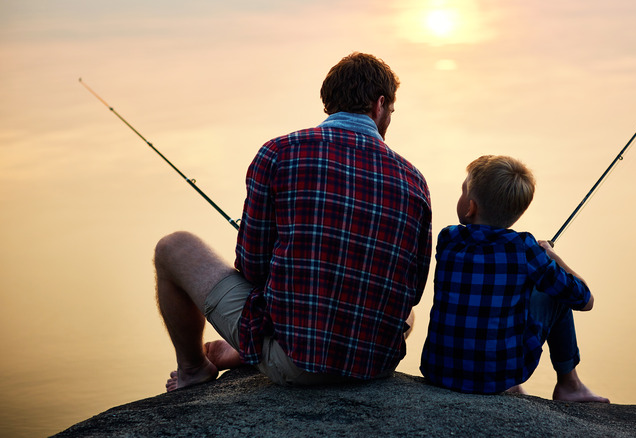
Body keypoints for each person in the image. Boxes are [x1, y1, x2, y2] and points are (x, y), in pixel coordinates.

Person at [155, 52, 432, 391]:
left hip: (297, 364)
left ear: (329, 103)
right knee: (408, 315)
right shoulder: (414, 181)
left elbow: (253, 268)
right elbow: (413, 290)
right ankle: (251, 348)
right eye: (391, 110)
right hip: (375, 363)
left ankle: (194, 368)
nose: (388, 117)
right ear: (379, 105)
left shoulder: (278, 153)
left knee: (173, 247)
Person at [419, 155, 608, 402]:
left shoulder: (448, 239)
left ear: (471, 207)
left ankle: (529, 385)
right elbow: (585, 300)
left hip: (439, 371)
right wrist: (551, 257)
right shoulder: (524, 249)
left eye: (463, 191)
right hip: (497, 378)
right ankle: (569, 385)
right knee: (555, 294)